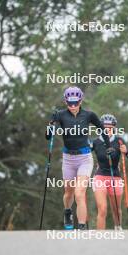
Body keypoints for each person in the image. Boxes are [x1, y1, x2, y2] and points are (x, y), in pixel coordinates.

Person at [46, 87, 112, 230]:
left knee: (79, 192)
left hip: (84, 158)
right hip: (68, 159)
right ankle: (67, 211)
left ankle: (81, 226)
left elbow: (102, 129)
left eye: (76, 103)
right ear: (65, 102)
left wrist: (108, 146)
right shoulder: (61, 115)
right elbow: (48, 136)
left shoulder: (89, 115)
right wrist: (50, 124)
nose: (73, 106)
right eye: (70, 103)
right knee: (68, 193)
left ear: (81, 101)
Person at [92, 114, 128, 230]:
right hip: (100, 177)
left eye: (110, 127)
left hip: (115, 177)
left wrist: (126, 152)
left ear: (114, 128)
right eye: (104, 127)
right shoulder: (95, 142)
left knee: (116, 208)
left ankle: (117, 227)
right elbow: (84, 153)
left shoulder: (119, 141)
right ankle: (100, 236)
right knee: (102, 208)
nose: (107, 129)